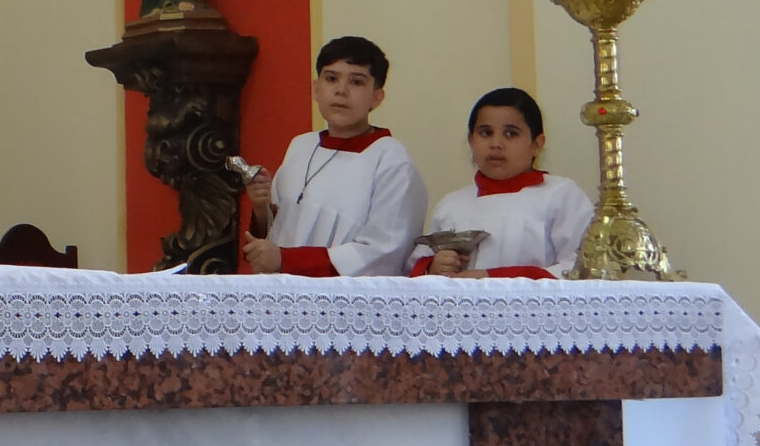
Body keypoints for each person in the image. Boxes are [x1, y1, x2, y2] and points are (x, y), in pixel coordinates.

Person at [241, 36, 426, 277]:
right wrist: (261, 207)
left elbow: (382, 253)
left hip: (345, 297)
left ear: (377, 97)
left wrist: (286, 259)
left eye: (356, 82)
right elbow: (278, 230)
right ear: (316, 89)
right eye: (331, 79)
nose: (341, 90)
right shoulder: (301, 146)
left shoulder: (391, 160)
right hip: (284, 291)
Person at [408, 87, 596, 280]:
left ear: (537, 144)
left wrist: (490, 278)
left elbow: (581, 268)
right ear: (471, 141)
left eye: (511, 134)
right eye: (485, 133)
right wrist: (432, 268)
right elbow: (414, 270)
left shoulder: (561, 196)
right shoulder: (451, 205)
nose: (496, 143)